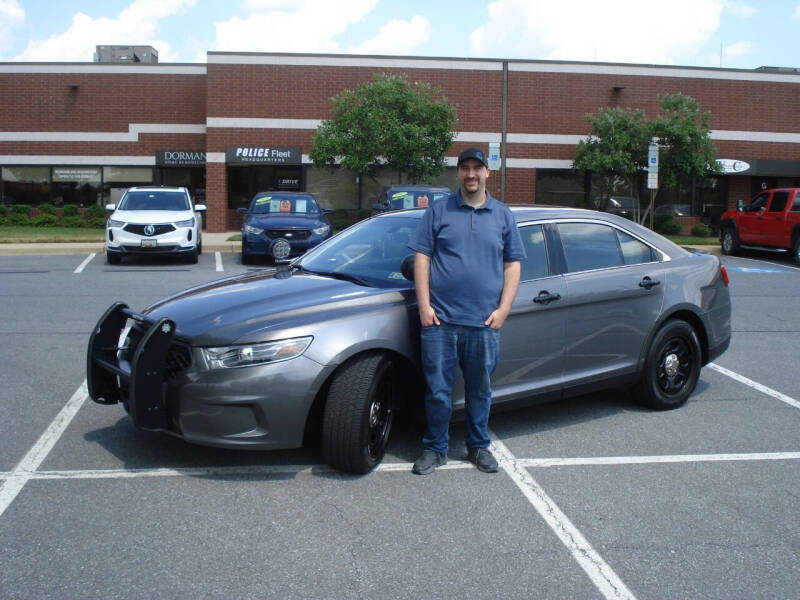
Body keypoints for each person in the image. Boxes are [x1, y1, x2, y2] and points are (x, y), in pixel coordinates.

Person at [408, 146, 526, 475]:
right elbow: (422, 257)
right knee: (437, 391)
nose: (471, 174)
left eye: (478, 168)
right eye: (465, 168)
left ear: (488, 173)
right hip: (440, 321)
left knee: (480, 390)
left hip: (483, 323)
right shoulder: (439, 211)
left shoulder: (503, 215)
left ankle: (478, 446)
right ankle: (435, 448)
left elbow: (512, 265)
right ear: (458, 172)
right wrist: (424, 307)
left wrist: (503, 309)